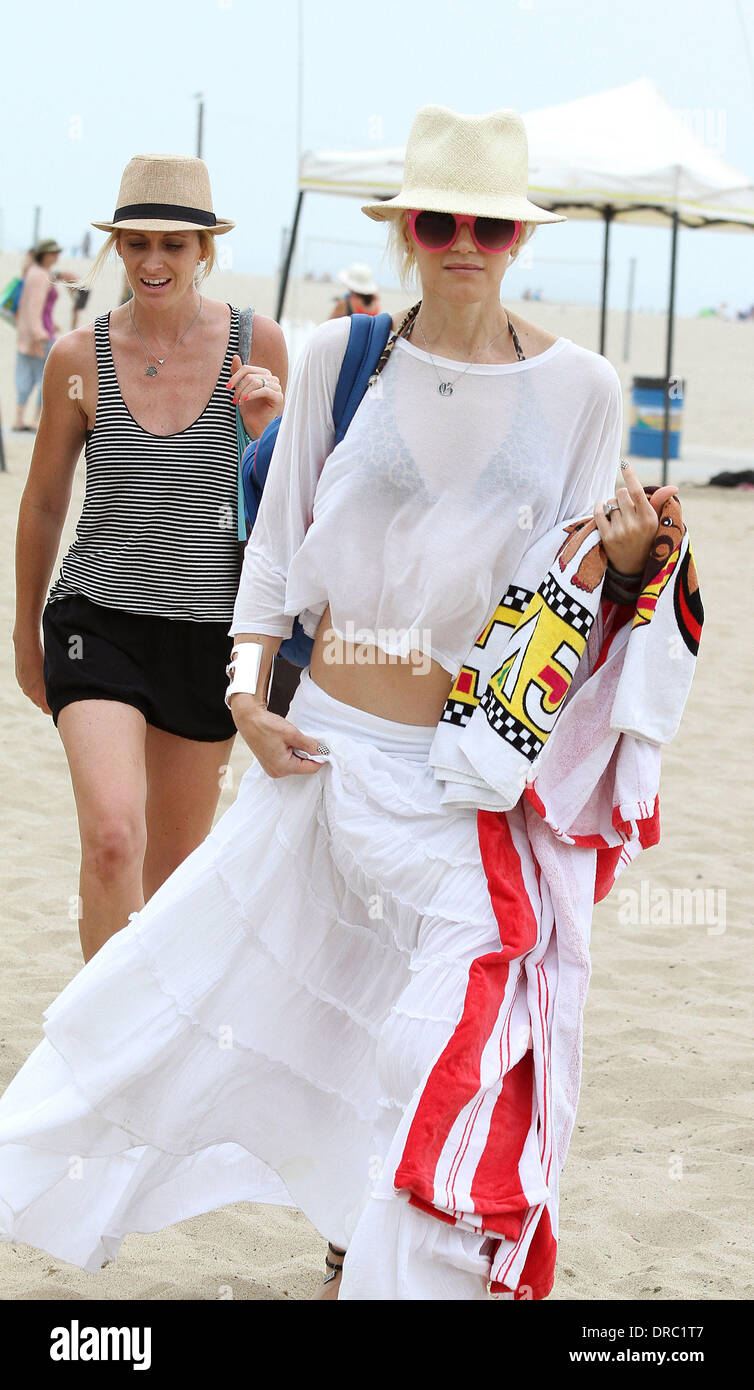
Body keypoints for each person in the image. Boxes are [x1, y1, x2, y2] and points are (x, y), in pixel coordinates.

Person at [0, 107, 687, 1300]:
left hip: (464, 777)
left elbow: (570, 601)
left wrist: (630, 564)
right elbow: (272, 552)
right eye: (439, 219)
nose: (461, 241)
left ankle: (367, 1262)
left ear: (517, 240)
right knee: (183, 996)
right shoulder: (338, 357)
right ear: (408, 230)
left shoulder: (581, 387)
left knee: (430, 1041)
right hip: (317, 752)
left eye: (486, 223)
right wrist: (246, 699)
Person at [12, 154, 287, 962]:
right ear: (118, 250)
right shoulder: (75, 357)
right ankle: (94, 1054)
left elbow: (291, 510)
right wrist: (26, 635)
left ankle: (146, 1057)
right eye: (137, 244)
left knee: (173, 883)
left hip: (210, 636)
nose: (154, 262)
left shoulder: (257, 342)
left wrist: (269, 427)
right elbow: (43, 505)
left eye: (174, 244)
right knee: (110, 840)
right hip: (95, 625)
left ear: (205, 250)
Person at [12, 239, 66, 431]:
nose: (57, 256)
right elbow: (34, 306)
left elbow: (32, 307)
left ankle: (19, 417)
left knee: (25, 376)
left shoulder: (33, 272)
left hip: (27, 334)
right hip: (39, 336)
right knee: (45, 378)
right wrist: (39, 332)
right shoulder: (41, 275)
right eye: (54, 253)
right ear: (46, 255)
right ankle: (35, 420)